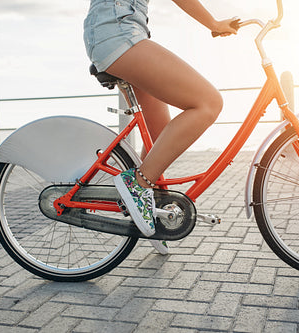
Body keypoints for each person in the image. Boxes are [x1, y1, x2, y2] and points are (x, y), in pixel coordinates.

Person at [83, 0, 237, 253]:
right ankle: (138, 186)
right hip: (119, 33)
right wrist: (214, 23)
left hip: (119, 32)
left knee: (159, 134)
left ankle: (149, 210)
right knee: (208, 102)